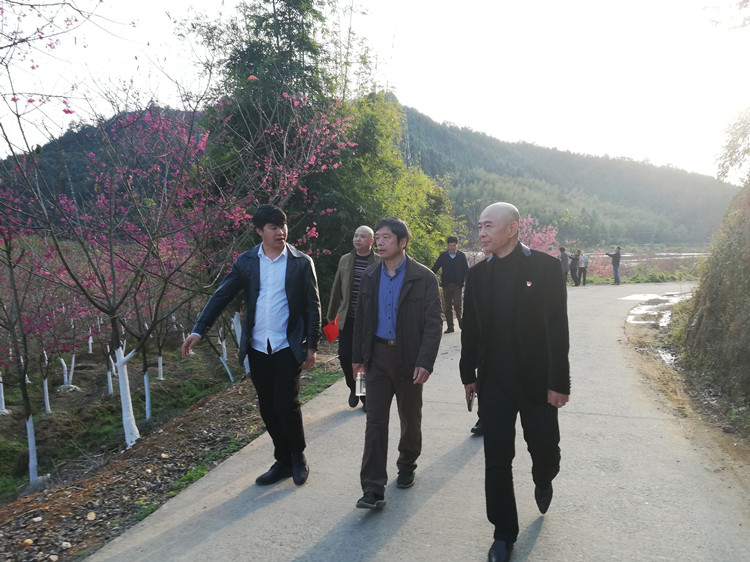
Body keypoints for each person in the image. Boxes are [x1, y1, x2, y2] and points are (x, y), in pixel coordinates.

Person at [460, 202, 570, 562]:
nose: (481, 233)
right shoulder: (477, 275)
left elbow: (557, 329)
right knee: (497, 459)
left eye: (488, 226)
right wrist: (468, 375)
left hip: (537, 382)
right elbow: (470, 330)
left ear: (513, 228)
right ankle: (503, 533)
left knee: (545, 449)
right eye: (479, 226)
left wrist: (559, 381)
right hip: (494, 383)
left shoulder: (545, 268)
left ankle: (544, 477)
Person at [182, 204, 320, 487]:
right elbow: (221, 296)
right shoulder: (246, 262)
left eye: (283, 226)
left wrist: (312, 345)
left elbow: (312, 305)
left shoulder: (301, 262)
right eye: (273, 227)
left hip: (287, 345)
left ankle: (298, 456)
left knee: (286, 403)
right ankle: (282, 460)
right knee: (267, 407)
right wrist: (199, 330)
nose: (280, 232)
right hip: (258, 346)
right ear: (259, 231)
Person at [352, 217, 442, 510]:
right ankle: (372, 487)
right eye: (377, 237)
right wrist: (357, 359)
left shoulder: (424, 277)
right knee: (374, 421)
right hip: (376, 358)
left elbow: (433, 324)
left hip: (408, 358)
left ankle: (407, 463)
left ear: (403, 242)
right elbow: (361, 320)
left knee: (410, 416)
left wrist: (425, 362)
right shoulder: (370, 275)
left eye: (386, 237)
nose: (379, 242)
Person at [326, 225, 380, 409]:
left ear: (371, 241)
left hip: (368, 321)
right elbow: (336, 289)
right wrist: (331, 314)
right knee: (344, 356)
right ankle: (352, 387)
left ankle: (362, 393)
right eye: (356, 235)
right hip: (347, 319)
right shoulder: (345, 260)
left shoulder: (379, 262)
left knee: (363, 359)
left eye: (362, 236)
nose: (357, 239)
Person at [431, 236, 469, 333]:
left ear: (457, 245)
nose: (452, 247)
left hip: (458, 285)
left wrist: (468, 281)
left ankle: (461, 322)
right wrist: (428, 276)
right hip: (446, 285)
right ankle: (450, 327)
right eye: (450, 245)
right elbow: (435, 267)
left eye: (454, 245)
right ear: (447, 245)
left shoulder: (461, 256)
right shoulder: (443, 256)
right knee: (447, 307)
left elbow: (466, 270)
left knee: (457, 304)